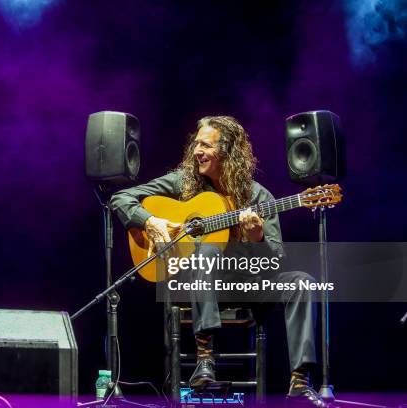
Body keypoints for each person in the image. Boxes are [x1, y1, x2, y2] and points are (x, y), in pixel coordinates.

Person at [110, 116, 325, 407]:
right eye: (196, 144)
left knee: (302, 282)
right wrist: (149, 222)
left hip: (243, 283)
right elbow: (121, 198)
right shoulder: (183, 183)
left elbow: (276, 260)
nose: (196, 150)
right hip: (195, 284)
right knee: (208, 251)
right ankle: (205, 359)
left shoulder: (258, 196)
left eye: (205, 145)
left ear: (227, 152)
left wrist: (257, 237)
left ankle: (300, 382)